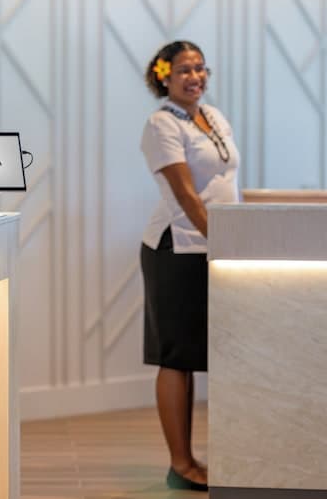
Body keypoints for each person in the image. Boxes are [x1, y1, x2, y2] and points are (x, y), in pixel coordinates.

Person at [139, 40, 240, 492]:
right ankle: (180, 464)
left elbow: (224, 184)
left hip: (211, 247)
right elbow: (186, 196)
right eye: (183, 69)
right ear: (164, 76)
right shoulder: (160, 124)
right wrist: (225, 242)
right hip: (176, 249)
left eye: (200, 68)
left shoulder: (213, 117)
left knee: (196, 356)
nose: (195, 77)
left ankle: (192, 459)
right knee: (176, 358)